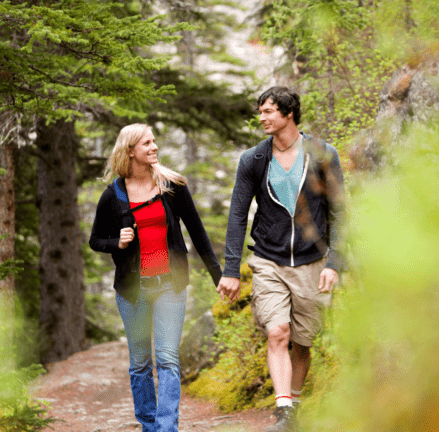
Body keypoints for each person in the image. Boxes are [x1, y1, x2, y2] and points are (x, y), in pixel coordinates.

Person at [216, 86, 346, 432]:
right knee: (277, 332)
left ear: (289, 113)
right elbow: (237, 215)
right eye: (260, 111)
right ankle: (284, 410)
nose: (262, 118)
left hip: (312, 261)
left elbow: (340, 213)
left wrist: (335, 263)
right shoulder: (254, 160)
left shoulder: (323, 154)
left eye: (269, 111)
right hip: (268, 259)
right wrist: (231, 270)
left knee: (303, 341)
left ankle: (295, 403)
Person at [89, 123, 222, 432]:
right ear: (130, 151)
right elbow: (95, 240)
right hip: (132, 290)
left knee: (167, 359)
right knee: (140, 364)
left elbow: (197, 232)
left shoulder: (172, 185)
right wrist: (118, 242)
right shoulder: (113, 195)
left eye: (154, 141)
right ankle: (149, 426)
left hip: (169, 286)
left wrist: (219, 276)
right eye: (146, 143)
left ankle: (166, 428)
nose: (154, 147)